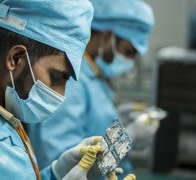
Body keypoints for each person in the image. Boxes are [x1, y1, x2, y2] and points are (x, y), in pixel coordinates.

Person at [0, 0, 136, 179]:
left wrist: (58, 172)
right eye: (57, 77)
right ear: (16, 59)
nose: (61, 94)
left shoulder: (1, 114)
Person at [29, 0, 155, 177]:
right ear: (106, 37)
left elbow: (90, 129)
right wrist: (126, 138)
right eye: (128, 51)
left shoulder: (94, 77)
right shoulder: (70, 81)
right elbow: (66, 165)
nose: (129, 62)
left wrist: (118, 121)